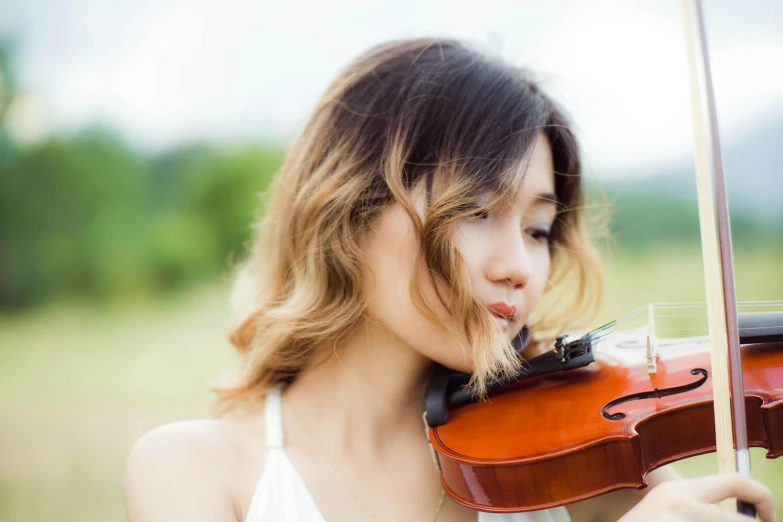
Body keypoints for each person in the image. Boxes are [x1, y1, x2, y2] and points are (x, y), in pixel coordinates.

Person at [123, 38, 775, 522]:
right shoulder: (195, 471)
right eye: (476, 210)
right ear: (350, 210)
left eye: (537, 230)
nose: (518, 267)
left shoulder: (575, 461)